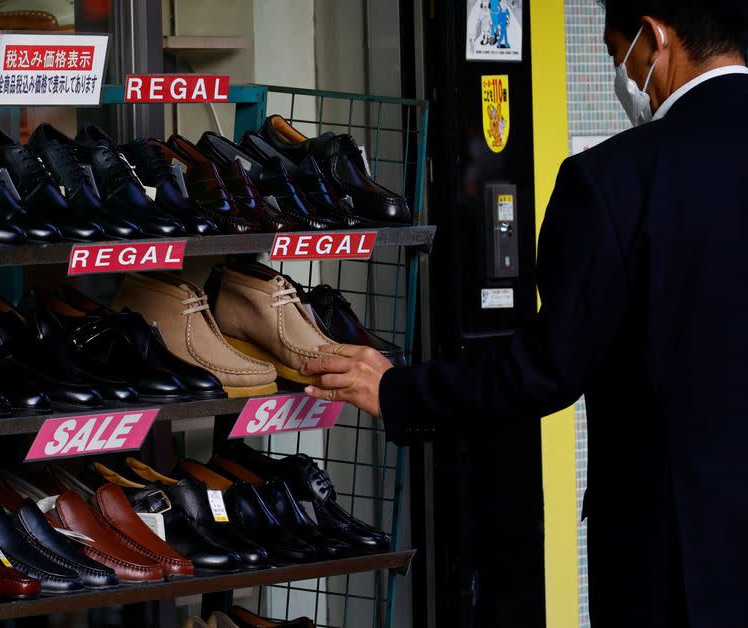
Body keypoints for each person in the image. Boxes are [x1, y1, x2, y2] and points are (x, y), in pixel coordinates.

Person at [302, 1, 748, 626]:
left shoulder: (614, 180)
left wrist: (403, 391)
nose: (625, 74)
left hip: (674, 559)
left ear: (655, 37)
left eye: (619, 56)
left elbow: (549, 367)